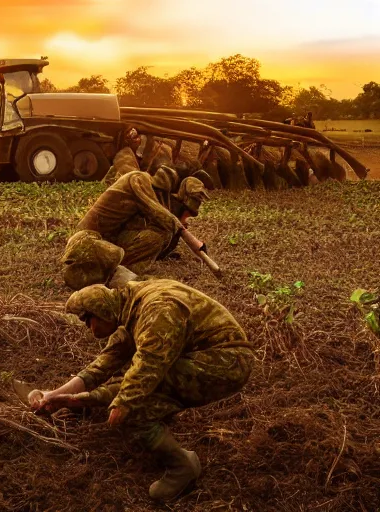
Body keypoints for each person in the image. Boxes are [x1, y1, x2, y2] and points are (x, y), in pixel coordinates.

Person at [21, 280, 255, 502]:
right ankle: (157, 416)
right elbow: (105, 363)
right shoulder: (131, 305)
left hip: (226, 363)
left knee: (132, 407)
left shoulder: (155, 313)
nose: (89, 329)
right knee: (131, 392)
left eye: (88, 321)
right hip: (209, 355)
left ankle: (182, 465)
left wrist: (116, 404)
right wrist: (55, 394)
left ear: (100, 310)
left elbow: (146, 371)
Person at [75, 170, 186, 274]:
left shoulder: (141, 182)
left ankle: (121, 266)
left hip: (102, 238)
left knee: (154, 230)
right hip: (88, 241)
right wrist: (182, 229)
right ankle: (125, 270)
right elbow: (162, 216)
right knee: (157, 235)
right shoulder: (139, 179)